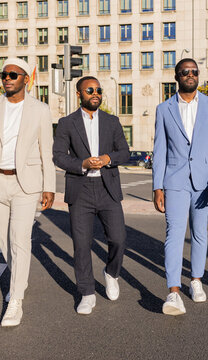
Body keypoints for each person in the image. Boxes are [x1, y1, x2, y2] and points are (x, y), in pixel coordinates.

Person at [0, 58, 56, 327]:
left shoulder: (40, 110)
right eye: (4, 74)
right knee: (5, 242)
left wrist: (49, 186)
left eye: (13, 75)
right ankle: (20, 279)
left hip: (26, 184)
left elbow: (46, 151)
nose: (7, 78)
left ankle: (15, 300)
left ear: (26, 79)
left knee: (19, 239)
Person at [152, 58, 208, 315]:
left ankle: (196, 280)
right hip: (174, 180)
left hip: (204, 180)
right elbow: (160, 150)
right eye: (185, 72)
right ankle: (173, 292)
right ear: (176, 76)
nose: (190, 75)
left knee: (199, 231)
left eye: (194, 71)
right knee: (174, 233)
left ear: (198, 76)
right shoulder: (164, 109)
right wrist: (157, 186)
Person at [53, 76, 130, 315]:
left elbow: (124, 152)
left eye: (98, 90)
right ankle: (86, 292)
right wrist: (82, 163)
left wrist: (108, 159)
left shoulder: (112, 121)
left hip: (108, 188)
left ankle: (111, 273)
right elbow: (58, 156)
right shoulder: (66, 123)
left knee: (118, 238)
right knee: (82, 245)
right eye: (90, 90)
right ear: (79, 94)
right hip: (81, 188)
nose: (95, 93)